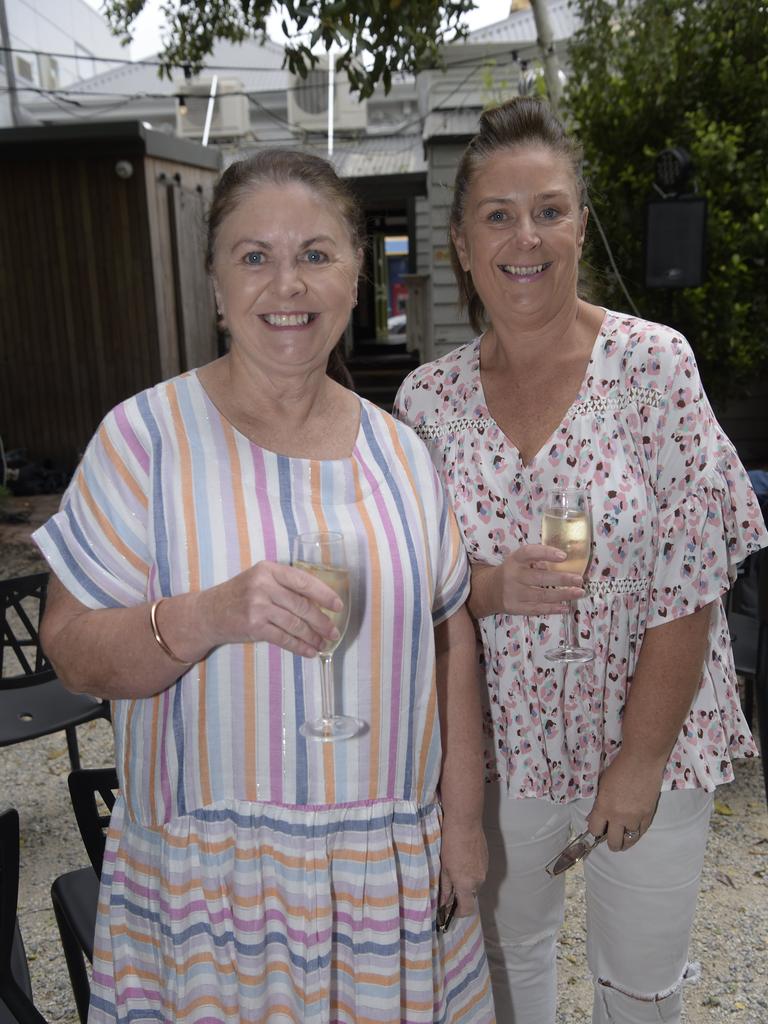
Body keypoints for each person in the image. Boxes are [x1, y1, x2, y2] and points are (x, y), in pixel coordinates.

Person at [34, 149, 495, 1024]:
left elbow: (450, 636)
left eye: (317, 254)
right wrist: (210, 613)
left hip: (380, 879)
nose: (289, 284)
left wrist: (462, 829)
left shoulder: (403, 455)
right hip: (211, 890)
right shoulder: (143, 440)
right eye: (255, 256)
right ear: (215, 283)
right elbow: (71, 650)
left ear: (356, 275)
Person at [394, 97, 768, 1024]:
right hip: (500, 748)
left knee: (638, 994)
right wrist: (492, 586)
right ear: (462, 241)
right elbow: (426, 594)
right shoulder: (426, 402)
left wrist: (638, 761)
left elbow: (694, 581)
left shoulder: (654, 365)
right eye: (499, 215)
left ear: (581, 225)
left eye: (550, 210)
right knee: (505, 975)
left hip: (650, 739)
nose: (526, 237)